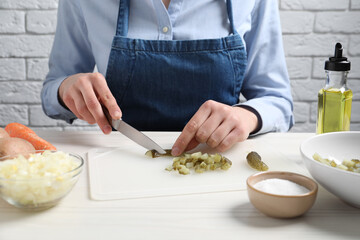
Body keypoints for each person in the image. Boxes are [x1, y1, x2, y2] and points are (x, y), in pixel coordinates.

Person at [41, 0, 294, 156]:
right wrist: (66, 88)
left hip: (218, 167)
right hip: (119, 164)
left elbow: (277, 100)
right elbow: (53, 89)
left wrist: (247, 116)